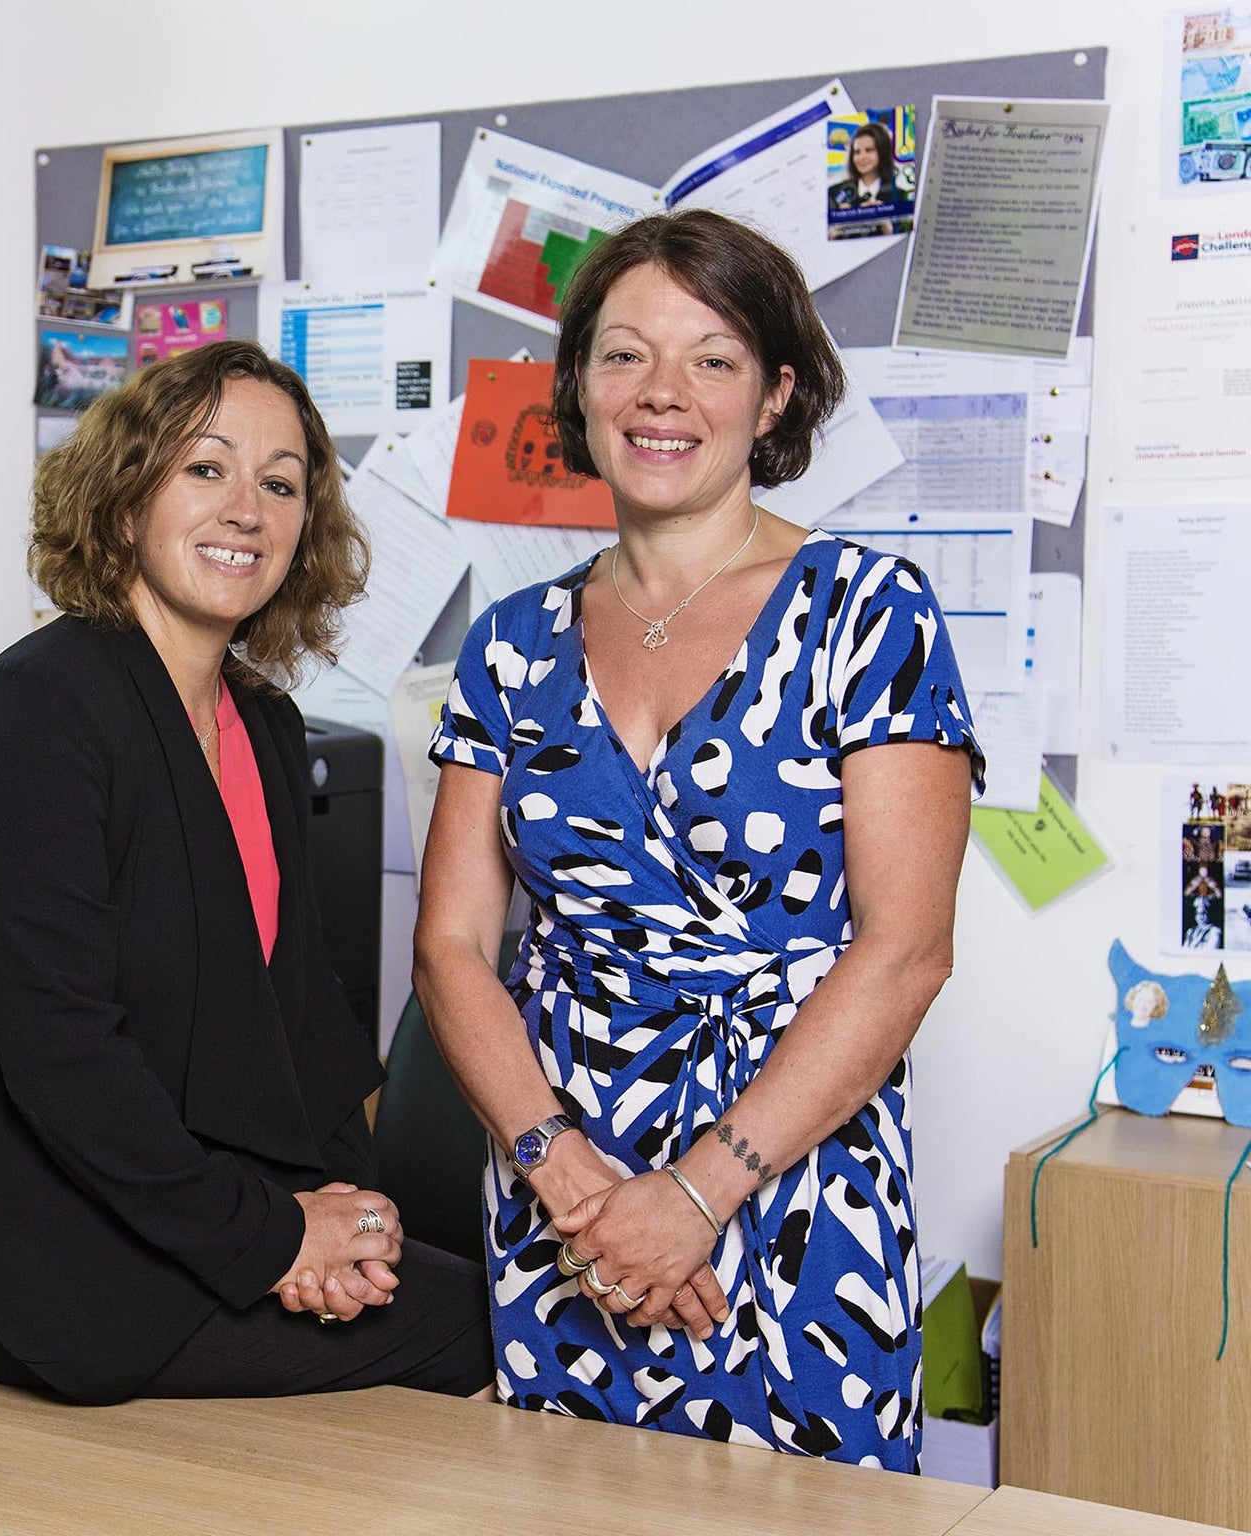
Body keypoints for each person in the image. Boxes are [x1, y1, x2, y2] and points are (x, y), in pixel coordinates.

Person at [413, 208, 983, 1468]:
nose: (659, 394)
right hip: (560, 1187)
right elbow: (450, 948)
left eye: (711, 358)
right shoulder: (506, 643)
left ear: (774, 396)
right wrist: (569, 1184)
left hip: (790, 1188)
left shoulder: (865, 610)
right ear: (576, 388)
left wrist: (690, 1197)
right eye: (622, 355)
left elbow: (902, 953)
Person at [0, 338, 492, 1406]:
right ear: (122, 500)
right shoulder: (37, 711)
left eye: (279, 482)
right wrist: (272, 1243)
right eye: (204, 468)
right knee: (484, 1341)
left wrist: (351, 1226)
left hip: (182, 1210)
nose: (245, 507)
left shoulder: (262, 721)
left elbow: (298, 1027)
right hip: (29, 1248)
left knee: (463, 1304)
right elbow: (65, 1055)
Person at [828, 122, 915, 236]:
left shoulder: (899, 195)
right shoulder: (834, 192)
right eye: (857, 152)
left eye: (869, 150)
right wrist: (833, 232)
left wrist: (887, 228)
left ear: (883, 152)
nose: (861, 157)